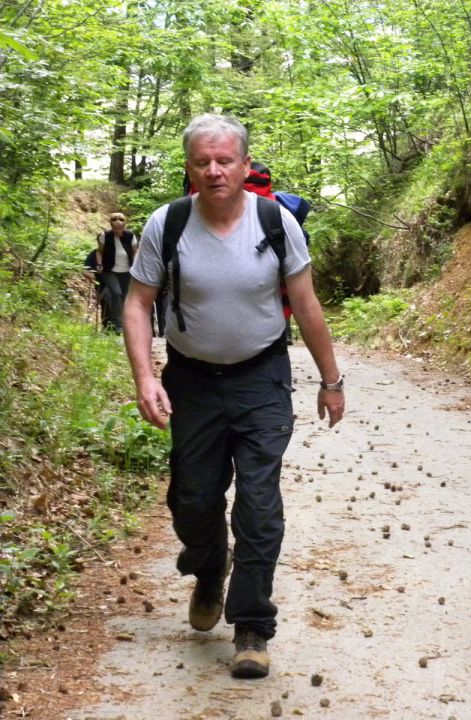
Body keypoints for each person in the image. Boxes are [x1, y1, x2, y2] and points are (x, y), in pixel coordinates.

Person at [122, 113, 345, 680]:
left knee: (259, 505)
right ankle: (209, 566)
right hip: (192, 382)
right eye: (203, 162)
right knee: (192, 501)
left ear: (246, 166)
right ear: (189, 168)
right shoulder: (166, 224)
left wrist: (331, 379)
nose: (215, 171)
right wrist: (146, 376)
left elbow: (308, 305)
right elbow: (137, 302)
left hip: (261, 379)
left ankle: (252, 626)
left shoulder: (274, 222)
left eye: (225, 161)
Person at [96, 212, 138, 331]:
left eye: (120, 228)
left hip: (126, 271)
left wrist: (135, 265)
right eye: (115, 228)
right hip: (109, 271)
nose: (117, 230)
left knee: (125, 297)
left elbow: (135, 251)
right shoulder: (105, 235)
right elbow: (99, 251)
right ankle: (117, 324)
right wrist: (99, 264)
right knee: (116, 293)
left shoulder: (130, 236)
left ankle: (124, 324)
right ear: (111, 225)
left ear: (124, 225)